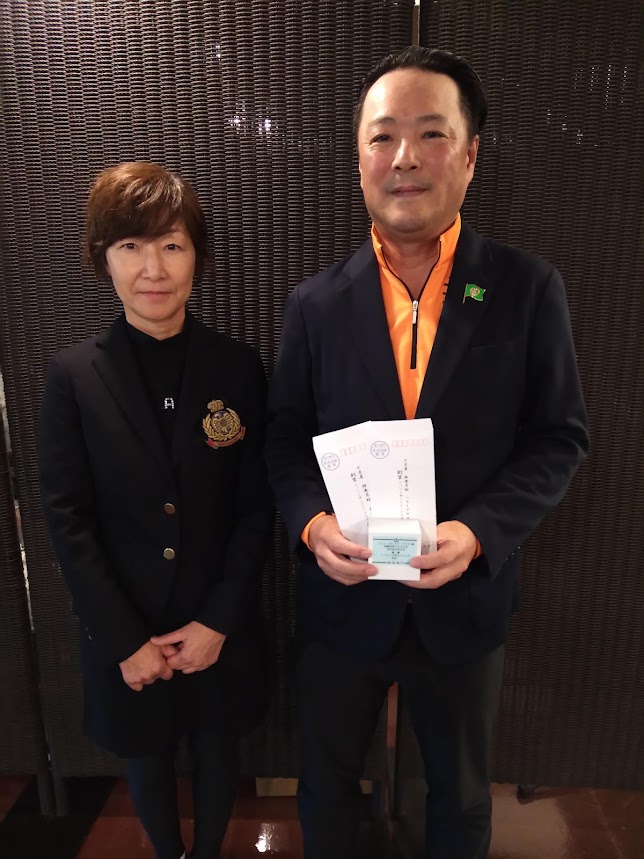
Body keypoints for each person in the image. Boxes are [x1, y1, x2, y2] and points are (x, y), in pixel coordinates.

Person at [265, 47, 589, 859]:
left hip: (462, 598)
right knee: (325, 787)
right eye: (383, 137)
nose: (404, 157)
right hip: (342, 598)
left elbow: (558, 437)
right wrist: (310, 525)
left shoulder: (526, 289)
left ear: (470, 155)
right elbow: (284, 438)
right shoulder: (315, 303)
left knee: (461, 795)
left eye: (431, 133)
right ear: (359, 160)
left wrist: (479, 532)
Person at [38, 162, 274, 859]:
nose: (153, 268)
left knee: (219, 748)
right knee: (145, 754)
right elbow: (68, 517)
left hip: (217, 623)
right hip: (127, 626)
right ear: (102, 257)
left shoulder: (239, 368)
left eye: (171, 245)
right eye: (130, 246)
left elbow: (256, 505)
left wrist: (218, 620)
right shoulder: (73, 377)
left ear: (197, 255)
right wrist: (123, 639)